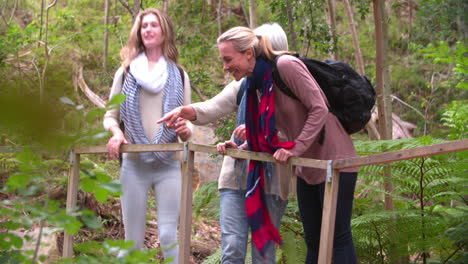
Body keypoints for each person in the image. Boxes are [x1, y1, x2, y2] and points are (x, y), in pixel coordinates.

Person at [213, 27, 359, 264]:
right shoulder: (258, 82)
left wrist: (295, 148)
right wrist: (244, 147)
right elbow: (274, 128)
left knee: (337, 238)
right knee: (313, 240)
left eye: (228, 59)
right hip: (306, 166)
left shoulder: (285, 66)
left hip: (335, 160)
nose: (225, 67)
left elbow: (319, 107)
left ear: (249, 53)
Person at [158, 23, 293, 263]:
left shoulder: (289, 86)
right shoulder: (244, 85)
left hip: (273, 178)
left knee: (264, 254)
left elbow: (298, 131)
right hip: (236, 175)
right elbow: (211, 108)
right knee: (231, 247)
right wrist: (182, 110)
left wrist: (258, 132)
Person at [103, 8, 192, 263]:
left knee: (167, 236)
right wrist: (116, 132)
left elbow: (188, 120)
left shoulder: (179, 74)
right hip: (134, 166)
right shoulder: (126, 72)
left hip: (168, 165)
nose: (149, 29)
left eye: (154, 25)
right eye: (144, 26)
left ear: (164, 32)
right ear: (139, 33)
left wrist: (186, 131)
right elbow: (110, 115)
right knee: (132, 243)